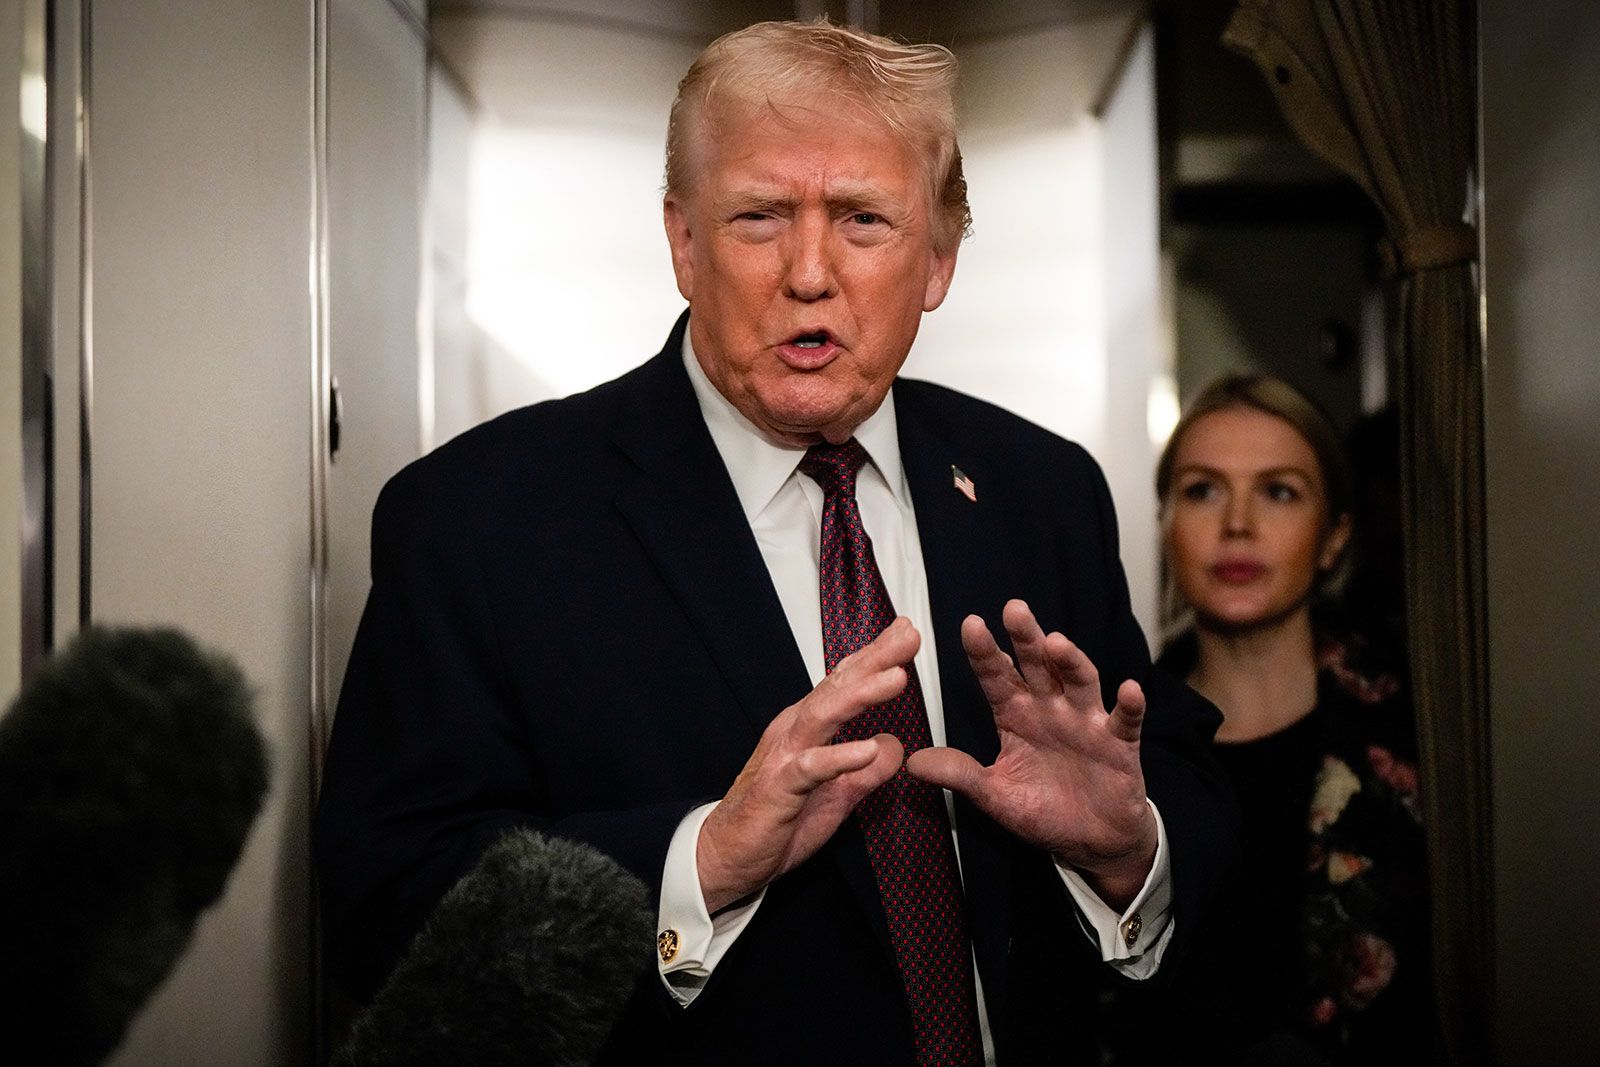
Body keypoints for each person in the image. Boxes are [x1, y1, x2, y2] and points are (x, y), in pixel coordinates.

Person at [315, 21, 1235, 1066]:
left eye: (862, 220)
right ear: (683, 242)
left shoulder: (1040, 487)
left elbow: (1175, 778)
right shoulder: (477, 518)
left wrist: (1125, 848)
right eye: (758, 216)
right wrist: (698, 862)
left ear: (936, 257)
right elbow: (385, 912)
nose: (809, 272)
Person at [1148, 376, 1430, 1064]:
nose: (1237, 522)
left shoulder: (1420, 727)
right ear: (1166, 525)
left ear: (1334, 536)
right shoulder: (1121, 738)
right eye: (1203, 490)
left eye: (1279, 491)